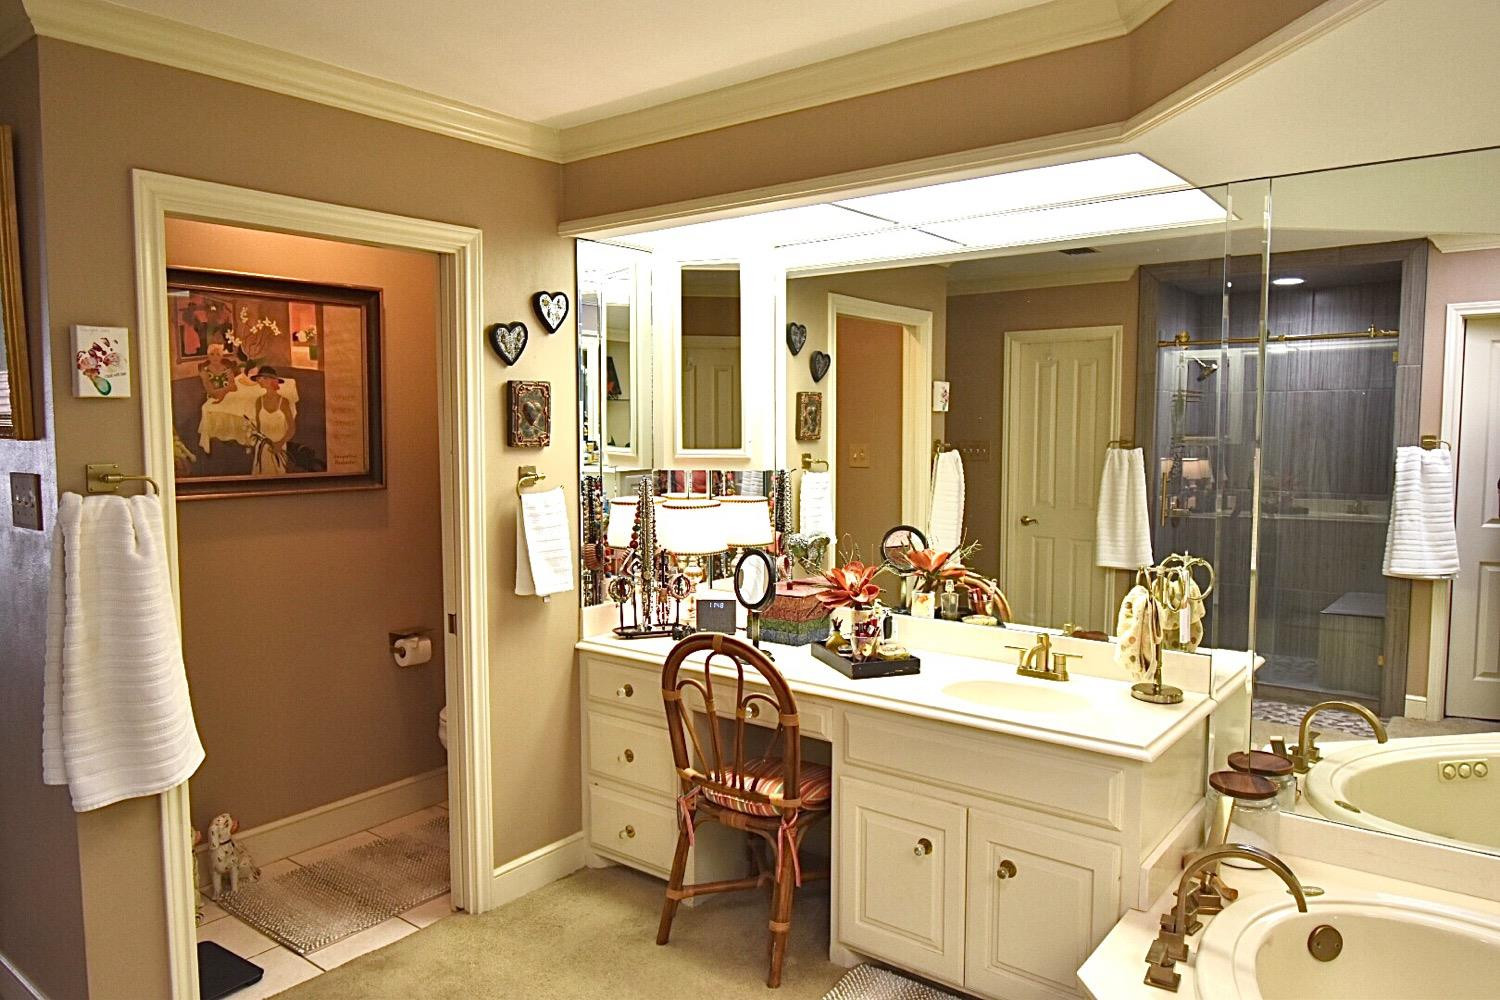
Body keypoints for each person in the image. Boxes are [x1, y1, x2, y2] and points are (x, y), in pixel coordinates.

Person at [249, 367, 296, 475]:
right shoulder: (258, 401)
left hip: (279, 447)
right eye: (259, 378)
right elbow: (258, 428)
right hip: (262, 448)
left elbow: (292, 428)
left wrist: (280, 443)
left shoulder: (283, 402)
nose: (260, 381)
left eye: (263, 378)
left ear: (272, 380)